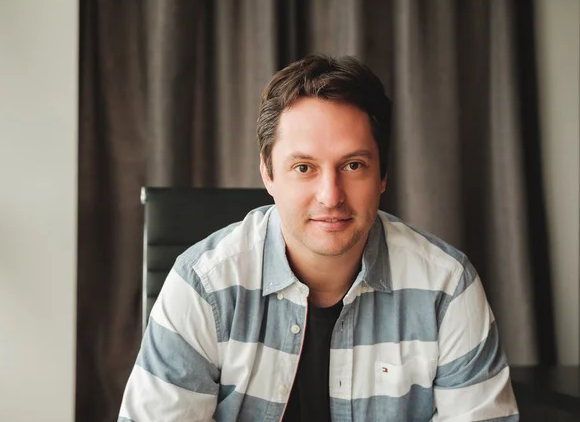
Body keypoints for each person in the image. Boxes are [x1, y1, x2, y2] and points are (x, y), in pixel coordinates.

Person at [118, 54, 519, 421]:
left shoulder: (447, 287)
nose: (331, 195)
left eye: (354, 165)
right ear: (268, 175)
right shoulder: (202, 286)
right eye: (304, 167)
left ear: (382, 176)